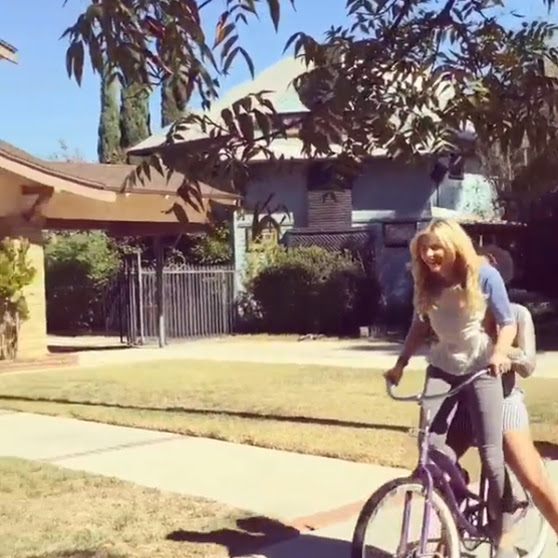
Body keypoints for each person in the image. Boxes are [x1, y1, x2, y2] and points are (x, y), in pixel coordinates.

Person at [384, 220, 517, 558]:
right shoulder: (426, 283)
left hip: (481, 367)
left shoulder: (483, 275)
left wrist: (500, 352)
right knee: (429, 448)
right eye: (423, 249)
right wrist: (401, 364)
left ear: (454, 246)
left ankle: (505, 529)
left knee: (491, 452)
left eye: (435, 247)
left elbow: (507, 322)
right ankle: (452, 510)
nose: (429, 255)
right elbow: (419, 325)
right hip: (443, 366)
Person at [447, 245, 558, 537]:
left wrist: (507, 354)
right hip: (466, 400)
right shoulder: (462, 312)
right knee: (439, 465)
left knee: (532, 477)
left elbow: (529, 364)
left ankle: (509, 526)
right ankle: (451, 532)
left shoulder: (518, 314)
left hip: (504, 402)